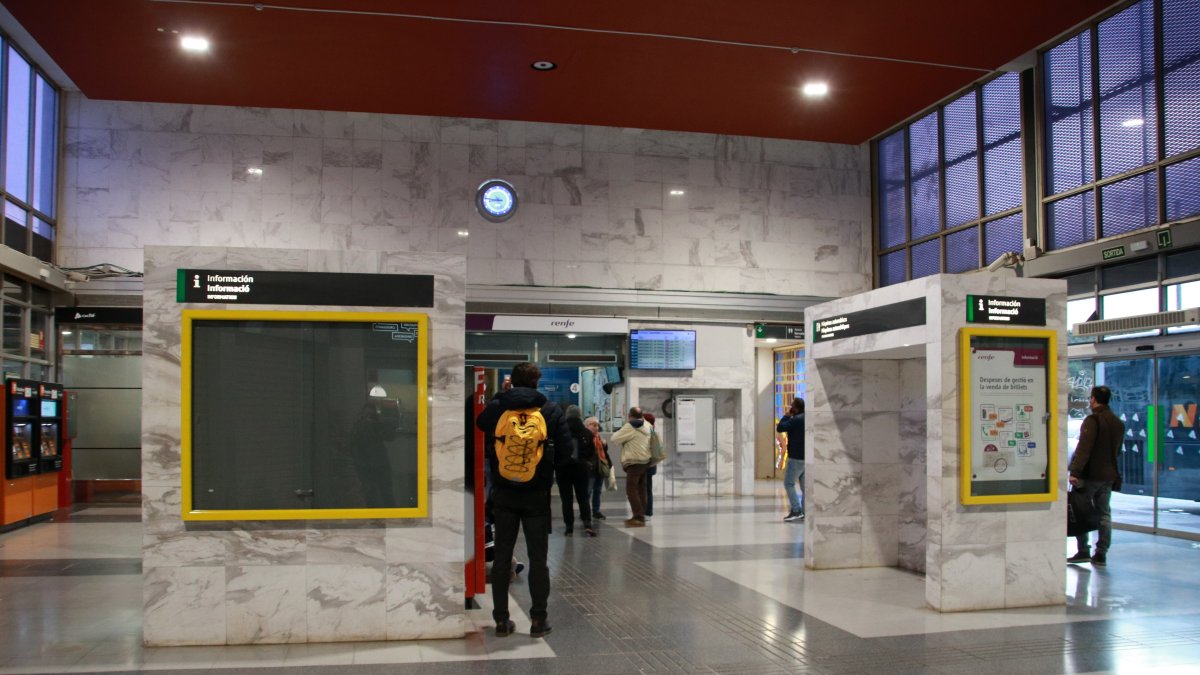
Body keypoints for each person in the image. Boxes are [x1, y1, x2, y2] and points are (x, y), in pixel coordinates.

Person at [475, 362, 572, 638]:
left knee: (503, 557)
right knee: (538, 559)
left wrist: (499, 396)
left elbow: (481, 423)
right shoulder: (550, 410)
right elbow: (565, 454)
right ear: (536, 382)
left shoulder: (501, 408)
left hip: (504, 494)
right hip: (537, 496)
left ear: (512, 382)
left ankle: (502, 622)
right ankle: (539, 621)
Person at [1067, 385, 1124, 566]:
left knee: (1079, 510)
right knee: (1104, 513)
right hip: (1108, 475)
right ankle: (1101, 552)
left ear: (1093, 399)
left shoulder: (1092, 421)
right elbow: (1117, 451)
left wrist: (1075, 472)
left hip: (1090, 475)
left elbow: (1084, 449)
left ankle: (1083, 549)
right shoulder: (1117, 422)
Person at [611, 406, 652, 527]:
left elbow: (614, 438)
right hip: (646, 461)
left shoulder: (631, 425)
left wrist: (626, 438)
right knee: (641, 490)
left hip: (634, 462)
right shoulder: (647, 425)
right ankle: (641, 516)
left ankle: (638, 517)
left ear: (630, 416)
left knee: (631, 490)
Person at [559, 405, 597, 536]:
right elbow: (592, 452)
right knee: (583, 498)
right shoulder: (586, 432)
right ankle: (587, 524)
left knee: (566, 499)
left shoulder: (560, 431)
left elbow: (555, 451)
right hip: (581, 469)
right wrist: (587, 463)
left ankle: (569, 527)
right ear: (579, 415)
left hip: (563, 469)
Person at [776, 398, 806, 522]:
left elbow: (780, 428)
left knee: (789, 484)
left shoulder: (795, 420)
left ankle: (796, 510)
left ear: (794, 408)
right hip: (806, 457)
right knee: (805, 487)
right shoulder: (807, 418)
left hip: (795, 457)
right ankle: (805, 511)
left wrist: (786, 416)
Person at [584, 416, 610, 519]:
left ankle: (596, 511)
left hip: (599, 467)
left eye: (597, 425)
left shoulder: (598, 436)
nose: (596, 427)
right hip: (590, 468)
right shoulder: (585, 437)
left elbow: (603, 452)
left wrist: (605, 444)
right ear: (586, 426)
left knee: (598, 491)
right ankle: (585, 511)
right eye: (593, 425)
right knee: (587, 491)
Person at [643, 412, 662, 519]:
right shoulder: (652, 432)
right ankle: (647, 511)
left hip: (647, 465)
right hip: (650, 465)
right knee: (647, 489)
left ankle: (647, 512)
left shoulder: (649, 434)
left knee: (646, 489)